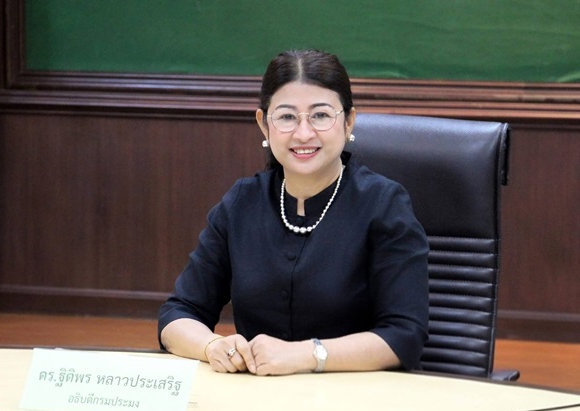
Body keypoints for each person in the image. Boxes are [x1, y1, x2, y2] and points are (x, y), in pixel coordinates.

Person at [158, 49, 429, 376]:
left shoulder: (383, 204)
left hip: (356, 395)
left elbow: (404, 335)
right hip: (258, 393)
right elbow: (178, 313)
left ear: (348, 121)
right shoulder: (242, 203)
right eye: (287, 117)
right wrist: (212, 346)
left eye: (320, 115)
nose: (303, 133)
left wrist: (306, 355)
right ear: (264, 124)